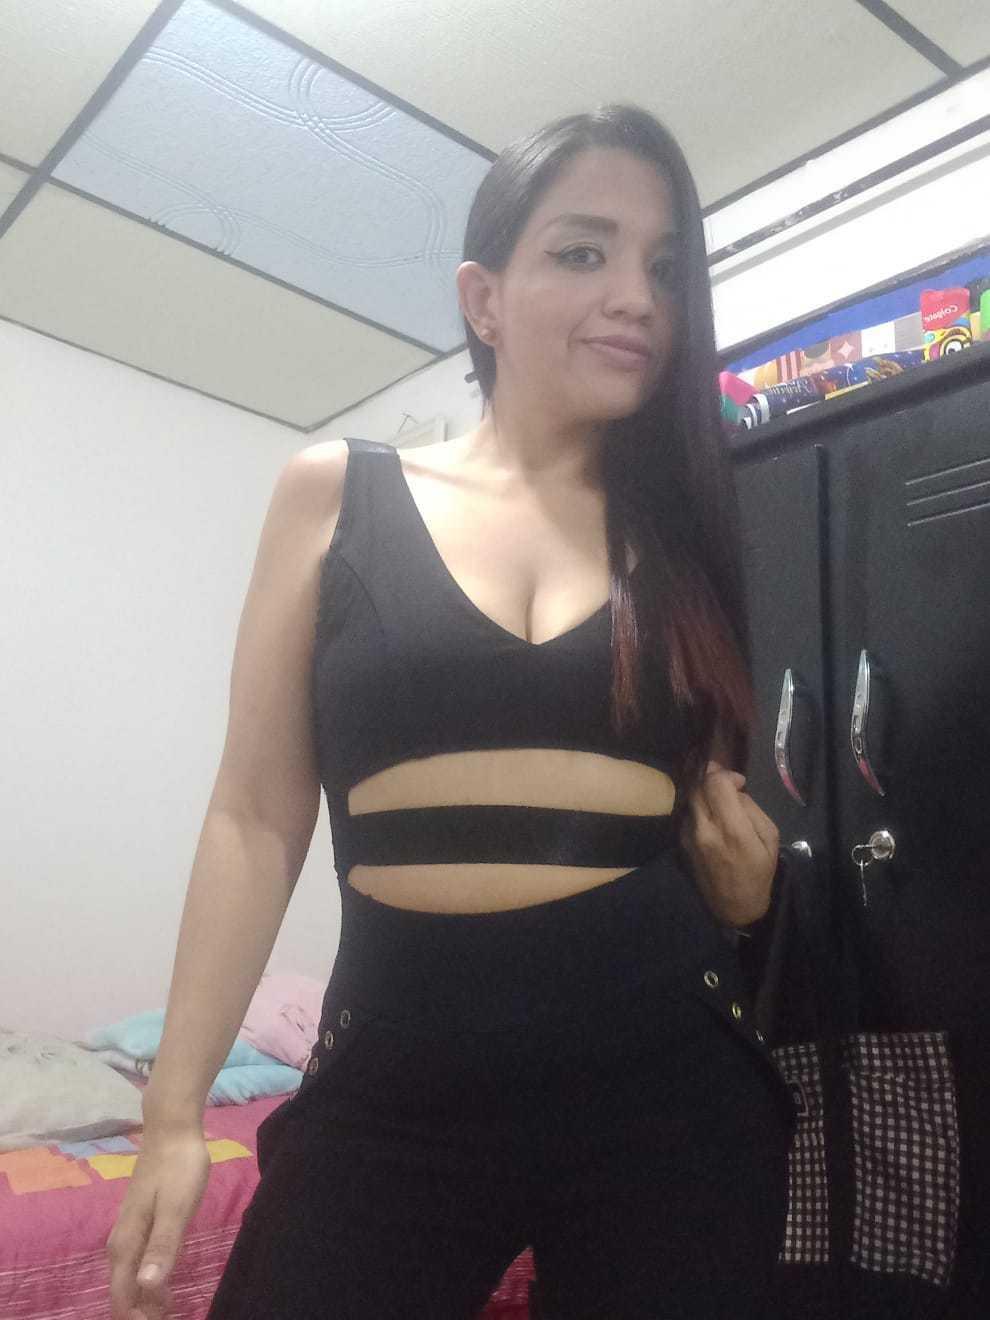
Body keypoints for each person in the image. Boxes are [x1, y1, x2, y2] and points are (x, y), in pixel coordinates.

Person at [106, 102, 797, 1320]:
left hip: (664, 1068)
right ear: (484, 299)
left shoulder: (687, 528)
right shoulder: (336, 495)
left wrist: (749, 902)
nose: (636, 297)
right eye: (583, 251)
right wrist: (173, 1112)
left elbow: (712, 803)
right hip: (399, 1070)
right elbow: (255, 816)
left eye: (663, 267)